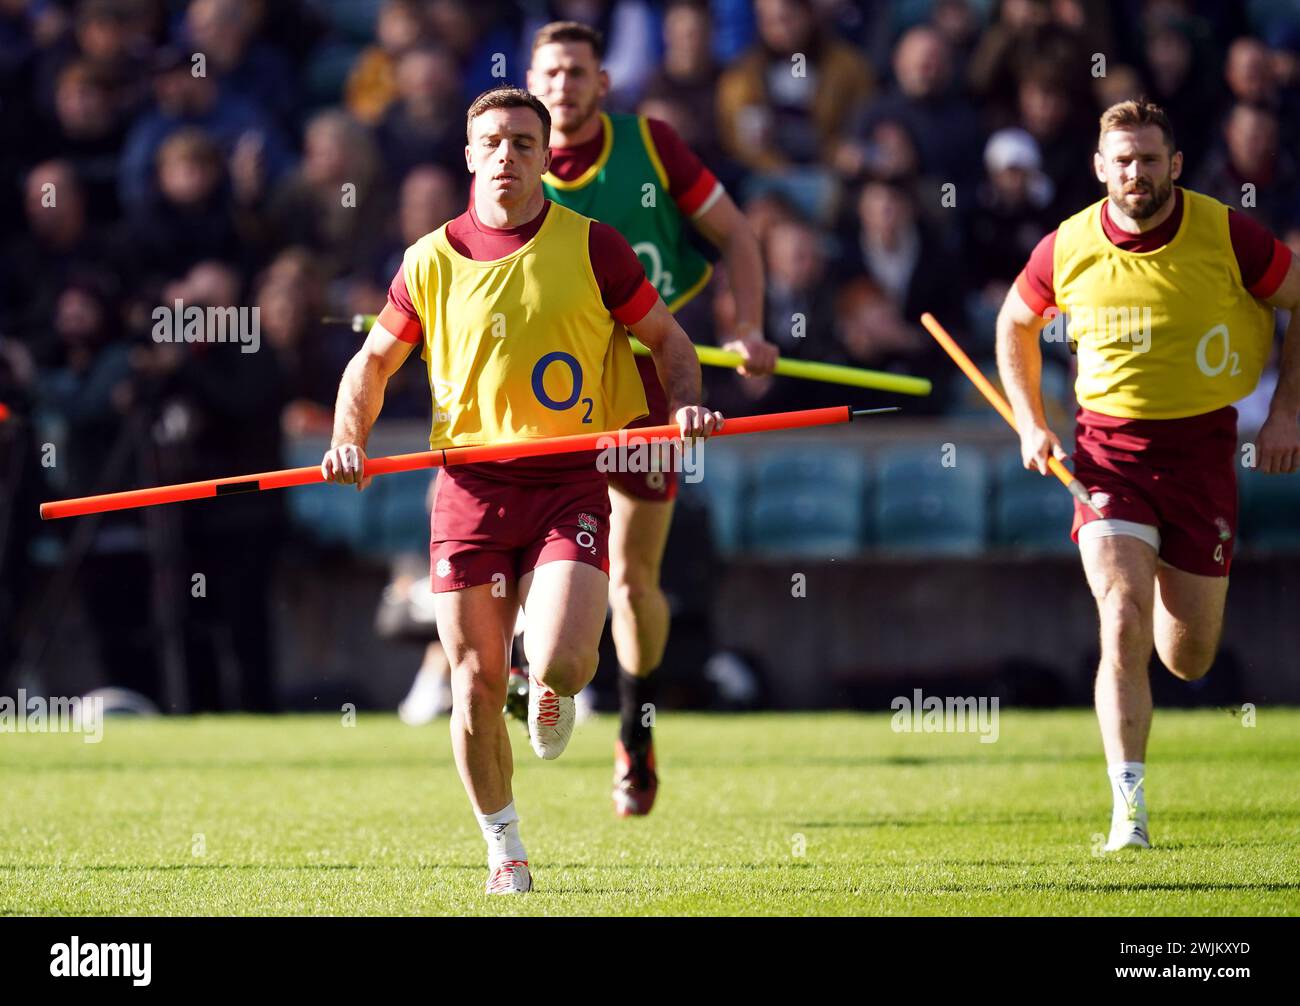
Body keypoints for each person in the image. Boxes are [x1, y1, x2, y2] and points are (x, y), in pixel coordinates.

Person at [321, 87, 723, 893]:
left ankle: (550, 686)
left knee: (567, 661)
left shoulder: (594, 246)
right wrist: (347, 438)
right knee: (471, 680)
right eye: (493, 142)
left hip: (568, 480)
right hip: (468, 489)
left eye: (523, 143)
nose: (507, 154)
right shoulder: (428, 260)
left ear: (545, 156)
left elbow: (669, 341)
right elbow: (371, 364)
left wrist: (683, 406)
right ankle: (505, 850)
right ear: (470, 156)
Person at [996, 99, 1299, 852]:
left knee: (1187, 657)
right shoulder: (1066, 246)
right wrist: (1031, 419)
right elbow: (1014, 323)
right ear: (1101, 169)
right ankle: (1128, 814)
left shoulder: (1227, 232)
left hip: (1202, 453)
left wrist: (1287, 411)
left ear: (1175, 165)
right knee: (1122, 616)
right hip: (1108, 454)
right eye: (1121, 161)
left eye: (1149, 159)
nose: (1136, 173)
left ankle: (1177, 623)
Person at [526, 20, 776, 816]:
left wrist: (749, 326)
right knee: (532, 554)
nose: (562, 86)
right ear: (532, 83)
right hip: (553, 395)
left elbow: (735, 233)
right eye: (550, 73)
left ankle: (635, 731)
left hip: (647, 388)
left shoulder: (652, 146)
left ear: (602, 83)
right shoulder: (511, 166)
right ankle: (544, 675)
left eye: (577, 72)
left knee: (635, 582)